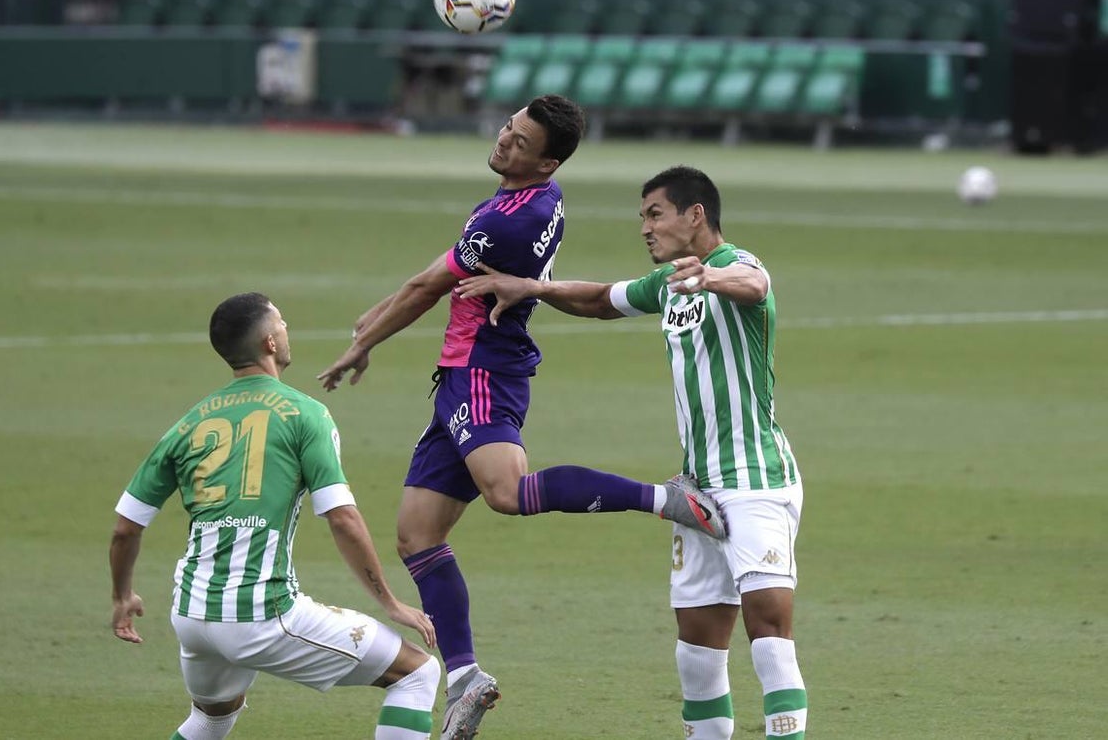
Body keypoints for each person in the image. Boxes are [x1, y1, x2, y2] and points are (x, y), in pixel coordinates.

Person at [317, 97, 726, 740]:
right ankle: (466, 677)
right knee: (417, 535)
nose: (505, 139)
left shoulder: (510, 218)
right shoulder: (538, 199)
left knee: (507, 492)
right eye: (509, 125)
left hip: (482, 368)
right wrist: (380, 310)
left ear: (548, 161)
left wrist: (366, 342)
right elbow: (438, 273)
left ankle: (662, 497)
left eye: (521, 138)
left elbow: (432, 287)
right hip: (461, 374)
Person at [457, 165, 808, 740]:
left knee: (768, 631)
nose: (644, 228)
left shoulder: (734, 266)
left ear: (695, 215)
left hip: (756, 479)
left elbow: (755, 285)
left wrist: (710, 280)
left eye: (655, 214)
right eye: (641, 218)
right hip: (694, 490)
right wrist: (534, 288)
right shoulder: (669, 282)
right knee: (697, 651)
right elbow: (601, 299)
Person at [109, 292, 439, 740]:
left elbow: (126, 527)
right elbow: (342, 519)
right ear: (268, 341)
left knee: (211, 717)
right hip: (260, 614)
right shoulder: (307, 415)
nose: (287, 330)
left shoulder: (187, 424)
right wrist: (389, 602)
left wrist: (123, 595)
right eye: (281, 322)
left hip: (191, 613)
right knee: (417, 674)